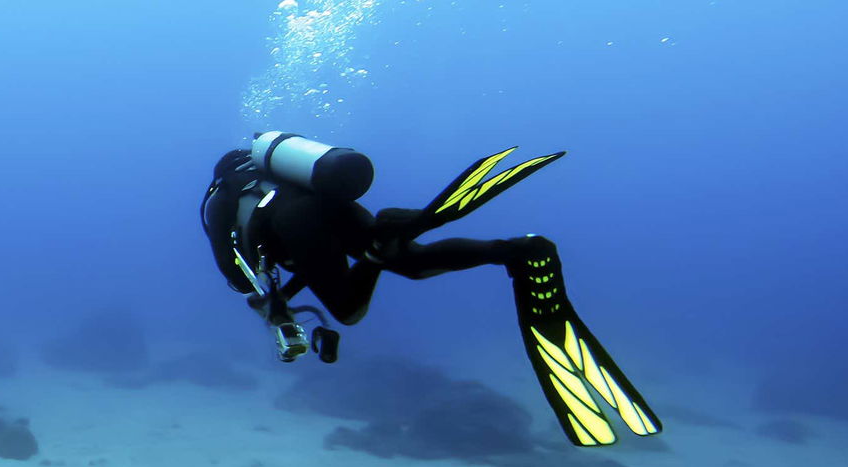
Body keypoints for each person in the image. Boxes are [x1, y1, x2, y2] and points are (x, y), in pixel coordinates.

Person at [200, 132, 662, 447]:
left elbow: (234, 272)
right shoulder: (288, 177)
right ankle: (510, 250)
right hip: (329, 205)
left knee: (347, 309)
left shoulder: (222, 198)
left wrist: (265, 293)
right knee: (412, 263)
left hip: (293, 224)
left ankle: (382, 247)